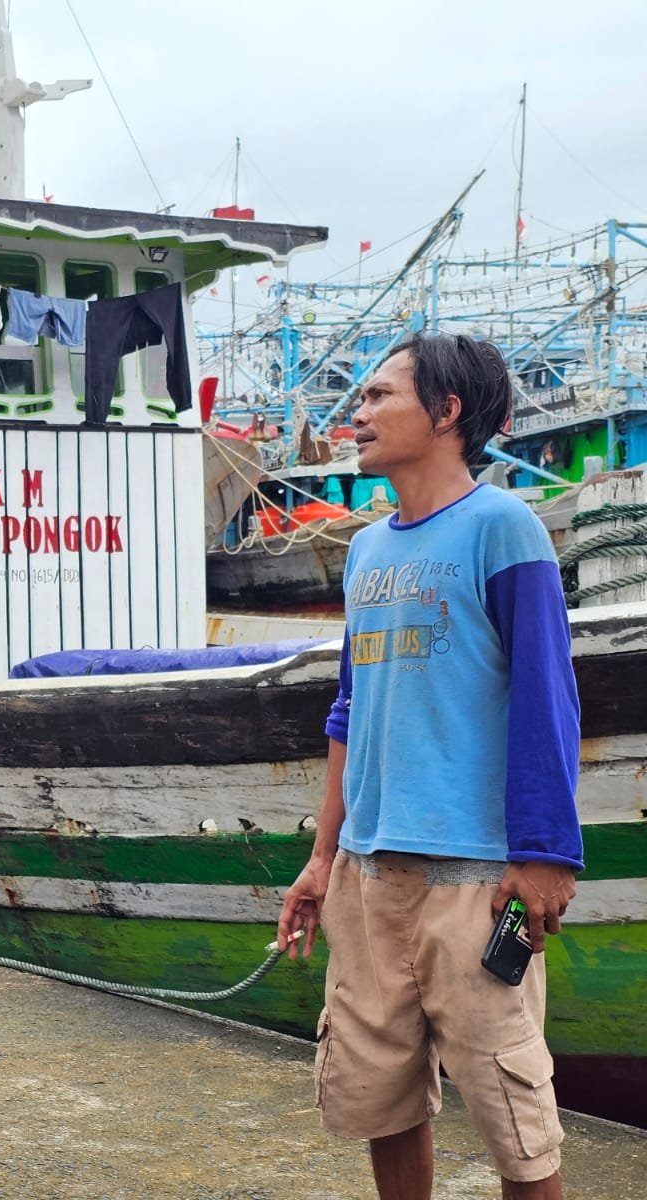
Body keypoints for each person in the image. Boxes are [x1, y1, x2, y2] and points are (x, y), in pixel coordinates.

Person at [276, 333, 582, 1199]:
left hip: (475, 887)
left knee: (517, 1124)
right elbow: (349, 710)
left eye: (379, 396)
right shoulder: (368, 550)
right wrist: (322, 855)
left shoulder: (503, 528)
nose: (358, 414)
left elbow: (546, 697)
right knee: (382, 1101)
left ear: (447, 413)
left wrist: (545, 852)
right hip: (368, 883)